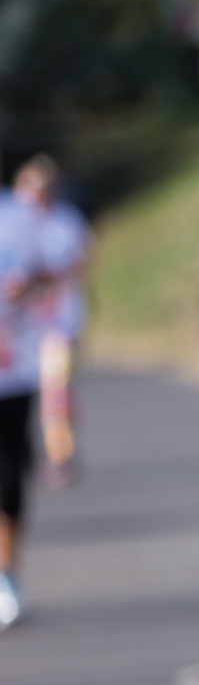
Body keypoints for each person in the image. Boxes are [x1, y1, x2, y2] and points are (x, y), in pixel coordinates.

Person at [0, 155, 56, 630]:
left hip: (12, 367)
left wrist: (28, 285)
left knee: (8, 475)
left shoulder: (19, 216)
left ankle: (7, 577)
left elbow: (51, 272)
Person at [14, 156, 92, 488]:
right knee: (21, 396)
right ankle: (24, 446)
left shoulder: (66, 221)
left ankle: (60, 454)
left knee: (56, 391)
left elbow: (82, 263)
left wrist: (45, 278)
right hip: (17, 329)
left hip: (58, 324)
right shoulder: (12, 223)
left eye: (44, 188)